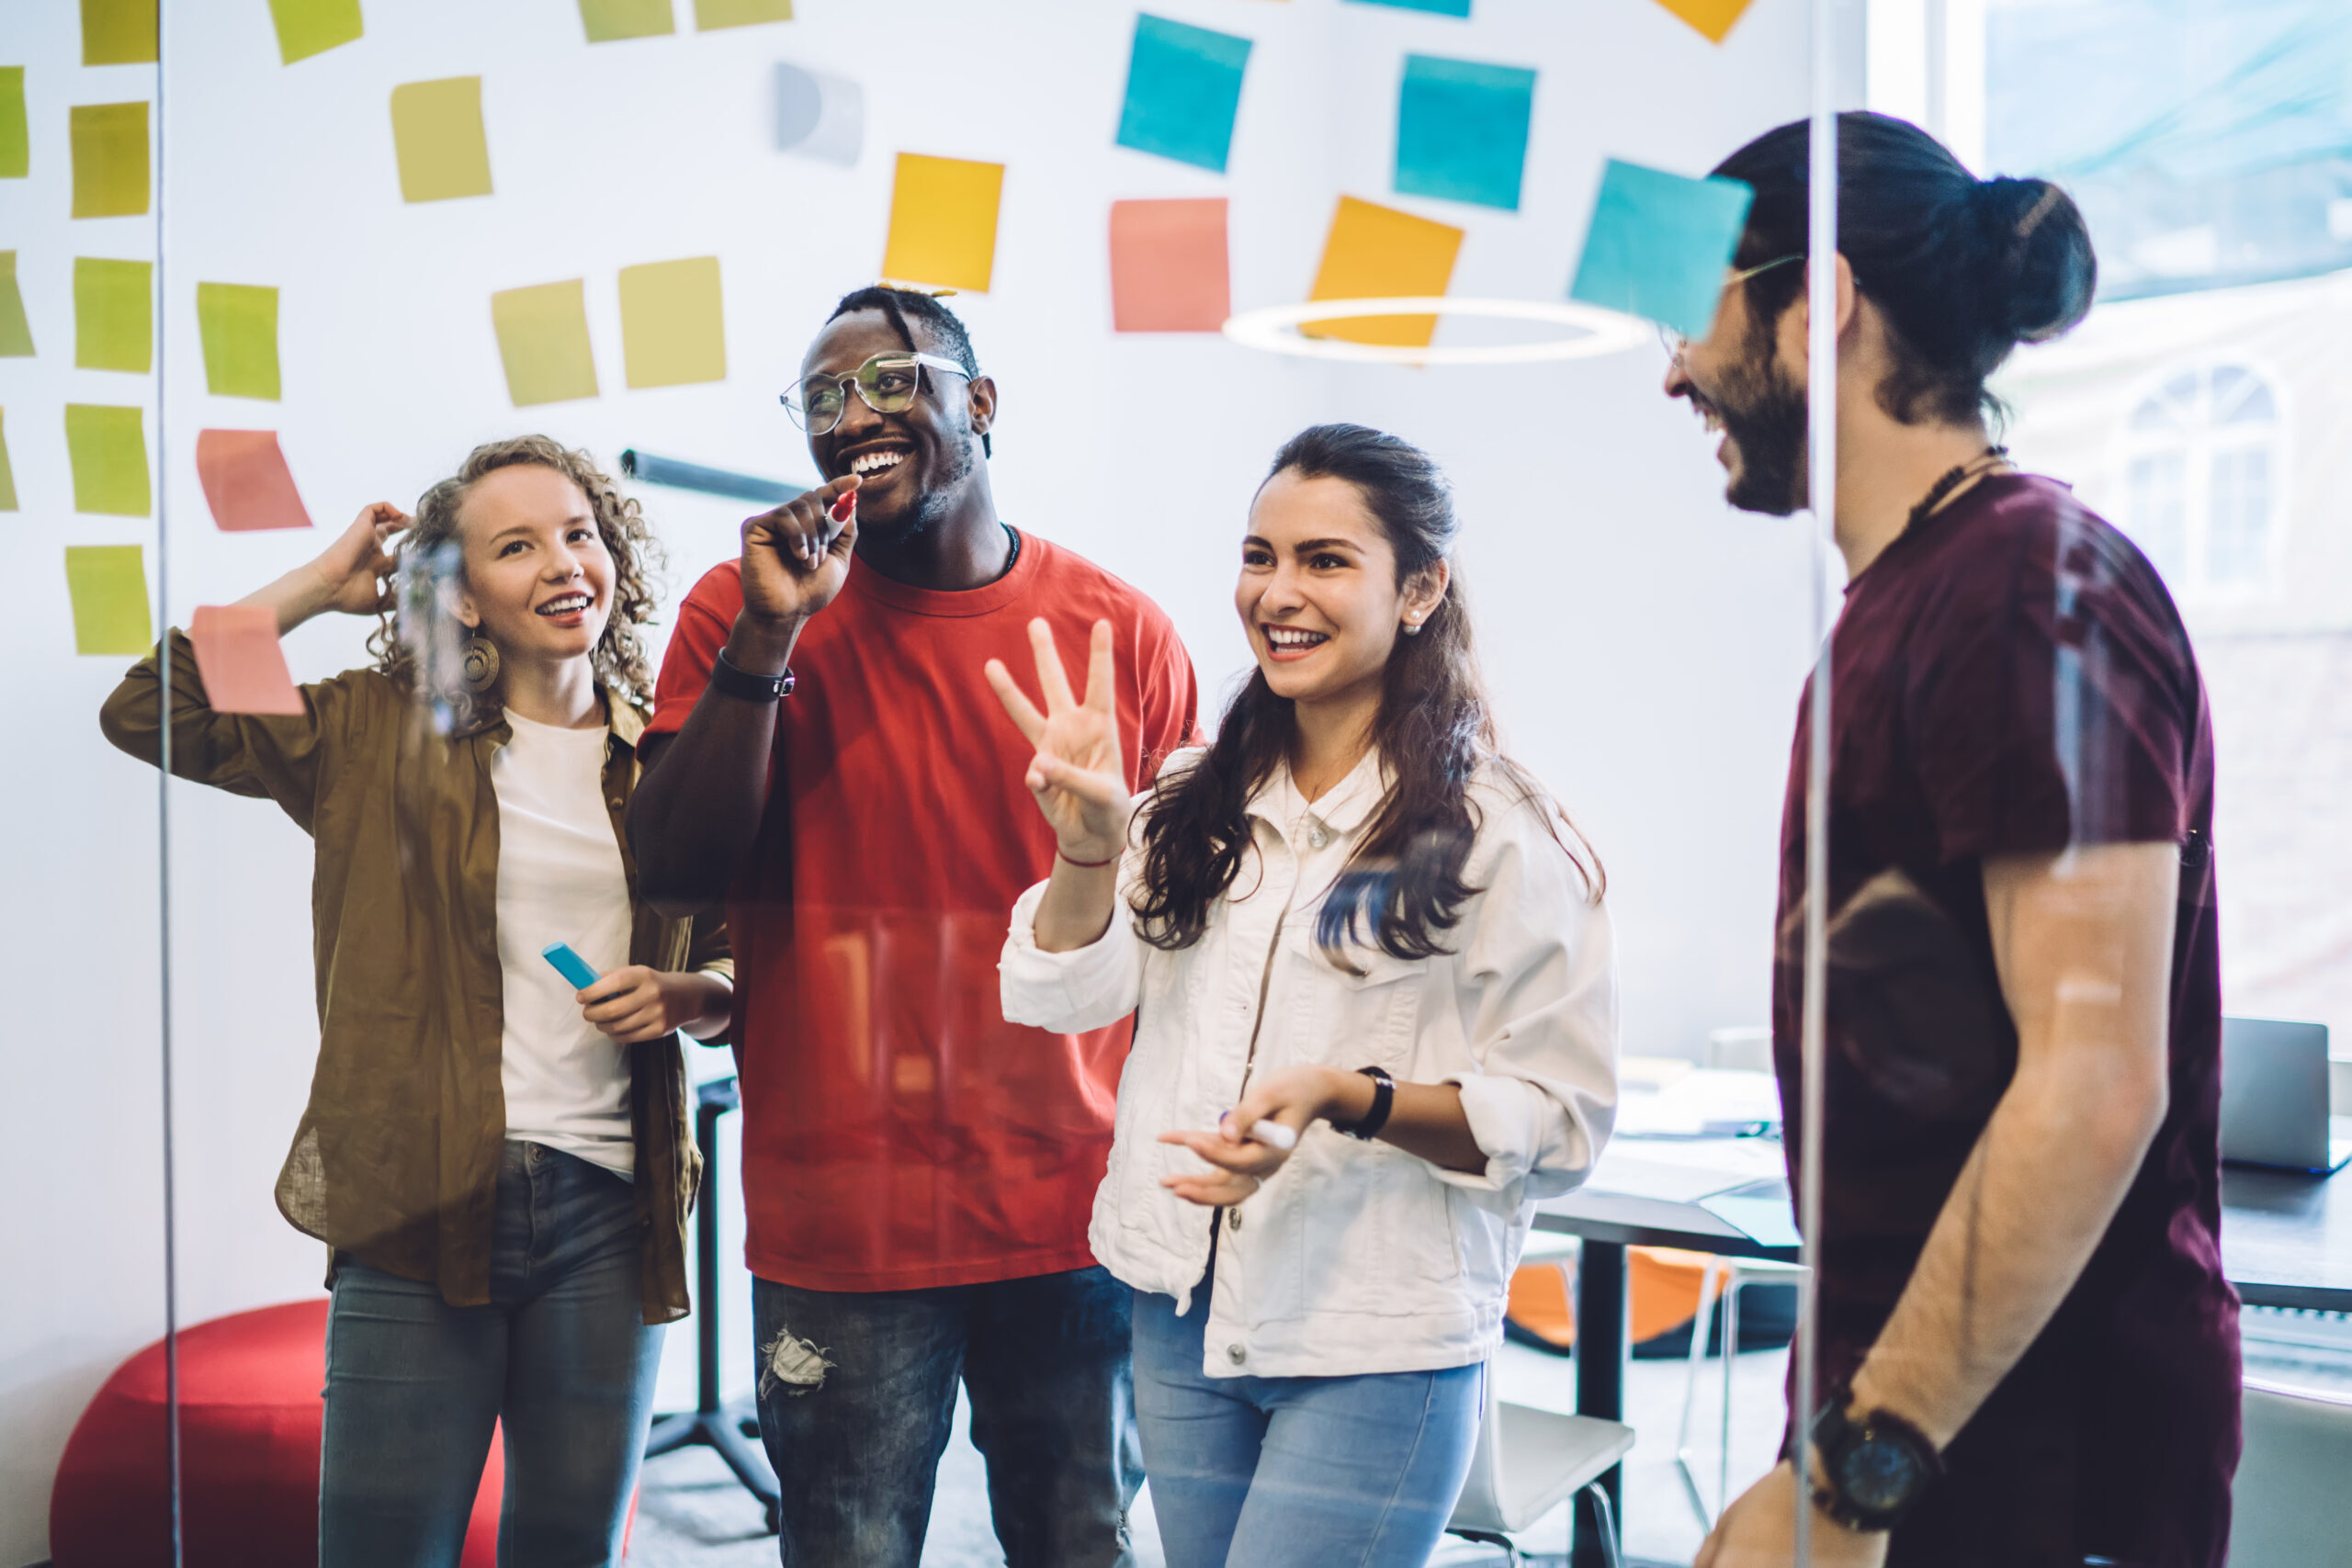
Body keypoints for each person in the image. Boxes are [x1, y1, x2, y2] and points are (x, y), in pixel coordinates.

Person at [1662, 114, 2239, 1568]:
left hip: (2034, 1461)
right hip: (1922, 1437)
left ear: (1822, 302)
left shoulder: (2028, 586)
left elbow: (2095, 1084)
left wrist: (1854, 1478)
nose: (1674, 367)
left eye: (1698, 313)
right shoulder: (1921, 595)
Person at [627, 287, 1200, 1567]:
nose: (852, 418)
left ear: (978, 406)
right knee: (846, 1547)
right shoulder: (742, 609)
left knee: (1080, 1544)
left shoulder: (1121, 630)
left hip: (1075, 1206)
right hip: (845, 1212)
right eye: (823, 399)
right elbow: (672, 866)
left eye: (889, 382)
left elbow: (1184, 934)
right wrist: (774, 631)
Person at [989, 423, 1618, 1568]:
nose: (1277, 592)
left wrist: (1347, 1096)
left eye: (1325, 560)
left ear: (1419, 587)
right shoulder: (1192, 793)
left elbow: (1562, 1120)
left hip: (1373, 1327)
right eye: (1258, 555)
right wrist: (1086, 852)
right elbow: (1062, 997)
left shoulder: (1501, 829)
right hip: (1180, 1302)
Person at [99, 435, 734, 1565]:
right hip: (415, 1192)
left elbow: (744, 952)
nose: (562, 563)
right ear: (467, 600)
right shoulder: (372, 729)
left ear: (617, 559)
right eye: (516, 546)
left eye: (580, 533)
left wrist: (691, 993)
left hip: (611, 1206)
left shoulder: (668, 756)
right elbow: (156, 705)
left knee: (571, 1548)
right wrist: (317, 588)